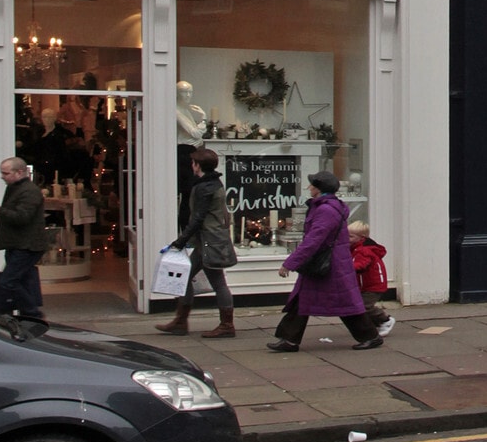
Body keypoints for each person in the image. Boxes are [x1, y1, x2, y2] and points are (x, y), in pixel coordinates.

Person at [266, 171, 381, 352]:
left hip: (329, 265)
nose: (309, 187)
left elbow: (314, 240)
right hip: (327, 263)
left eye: (312, 185)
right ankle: (289, 339)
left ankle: (370, 336)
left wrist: (290, 263)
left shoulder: (326, 210)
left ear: (318, 189)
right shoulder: (327, 207)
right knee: (303, 299)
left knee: (345, 302)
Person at [158, 147, 239, 338]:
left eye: (193, 162)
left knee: (216, 281)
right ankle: (181, 321)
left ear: (198, 165)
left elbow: (198, 218)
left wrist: (180, 241)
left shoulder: (204, 187)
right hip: (211, 239)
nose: (191, 165)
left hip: (208, 241)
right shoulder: (214, 183)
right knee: (187, 276)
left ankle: (225, 325)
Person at [0, 156, 50, 322]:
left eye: (5, 173)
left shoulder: (29, 191)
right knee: (23, 279)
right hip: (18, 243)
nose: (2, 176)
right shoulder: (16, 188)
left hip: (27, 245)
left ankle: (32, 312)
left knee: (9, 280)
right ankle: (28, 313)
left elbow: (21, 217)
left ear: (19, 172)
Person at [348, 219, 395, 335]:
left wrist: (349, 268)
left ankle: (386, 320)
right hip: (364, 285)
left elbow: (361, 264)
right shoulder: (354, 249)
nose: (347, 239)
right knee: (360, 306)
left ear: (361, 237)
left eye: (351, 236)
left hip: (373, 285)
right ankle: (376, 323)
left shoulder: (364, 250)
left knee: (365, 306)